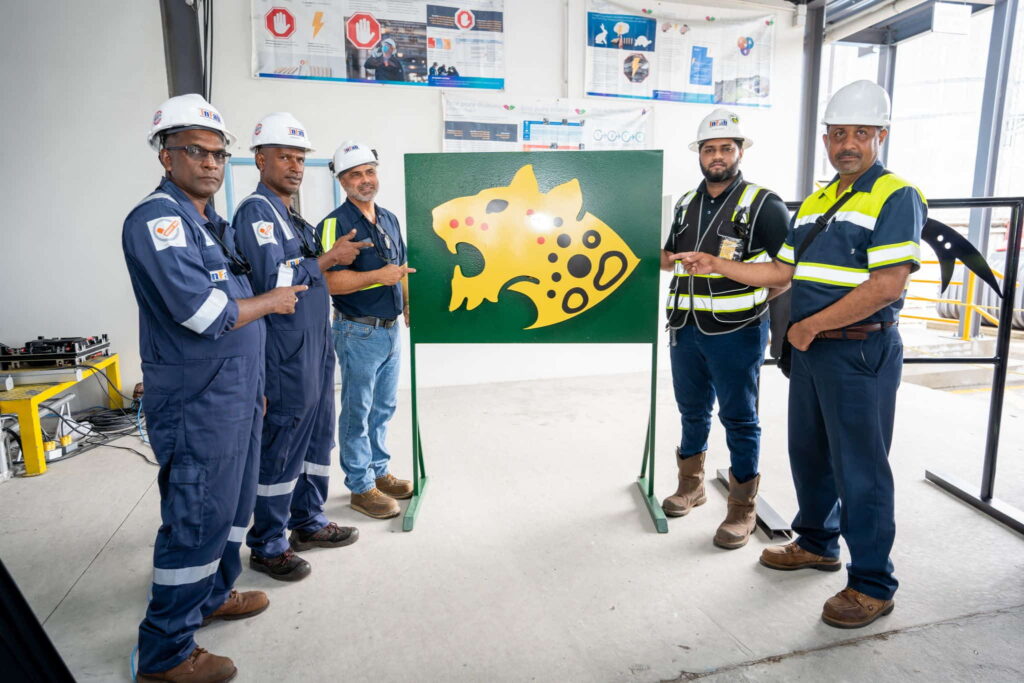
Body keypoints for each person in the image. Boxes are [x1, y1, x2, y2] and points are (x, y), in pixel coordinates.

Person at [680, 80, 925, 628]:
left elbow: (887, 285)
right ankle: (817, 542)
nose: (847, 143)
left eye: (861, 133)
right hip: (813, 351)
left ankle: (872, 584)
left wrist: (809, 326)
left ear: (881, 136)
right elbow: (780, 271)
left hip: (860, 351)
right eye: (838, 133)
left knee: (860, 468)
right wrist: (716, 264)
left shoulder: (895, 195)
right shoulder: (818, 201)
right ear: (826, 139)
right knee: (809, 455)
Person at [124, 94, 307, 682]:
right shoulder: (158, 222)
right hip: (198, 401)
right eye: (196, 151)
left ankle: (212, 596)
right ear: (166, 155)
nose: (210, 163)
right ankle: (165, 652)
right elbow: (203, 312)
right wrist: (273, 301)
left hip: (236, 394)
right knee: (198, 516)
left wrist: (255, 385)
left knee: (232, 508)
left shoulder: (207, 222)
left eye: (218, 154)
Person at [232, 113, 370, 582]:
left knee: (316, 438)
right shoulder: (256, 213)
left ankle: (307, 520)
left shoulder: (293, 217)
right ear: (260, 159)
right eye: (284, 157)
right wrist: (328, 259)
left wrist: (326, 260)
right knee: (283, 444)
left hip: (314, 347)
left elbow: (304, 271)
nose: (294, 166)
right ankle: (268, 544)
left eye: (300, 158)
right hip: (285, 353)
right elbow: (273, 279)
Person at [660, 108, 790, 549]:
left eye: (726, 148)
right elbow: (669, 258)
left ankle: (742, 508)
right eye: (709, 149)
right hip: (685, 327)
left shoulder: (763, 204)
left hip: (737, 331)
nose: (717, 156)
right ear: (699, 154)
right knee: (692, 410)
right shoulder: (685, 203)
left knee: (739, 418)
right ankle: (691, 486)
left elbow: (785, 274)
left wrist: (722, 269)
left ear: (740, 152)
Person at [318, 141, 415, 519]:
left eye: (369, 172)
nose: (365, 180)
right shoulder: (334, 224)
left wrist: (407, 302)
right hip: (357, 331)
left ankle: (378, 472)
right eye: (355, 174)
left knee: (383, 407)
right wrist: (377, 276)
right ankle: (360, 486)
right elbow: (328, 282)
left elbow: (400, 268)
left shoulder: (389, 218)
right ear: (342, 181)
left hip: (390, 331)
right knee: (357, 411)